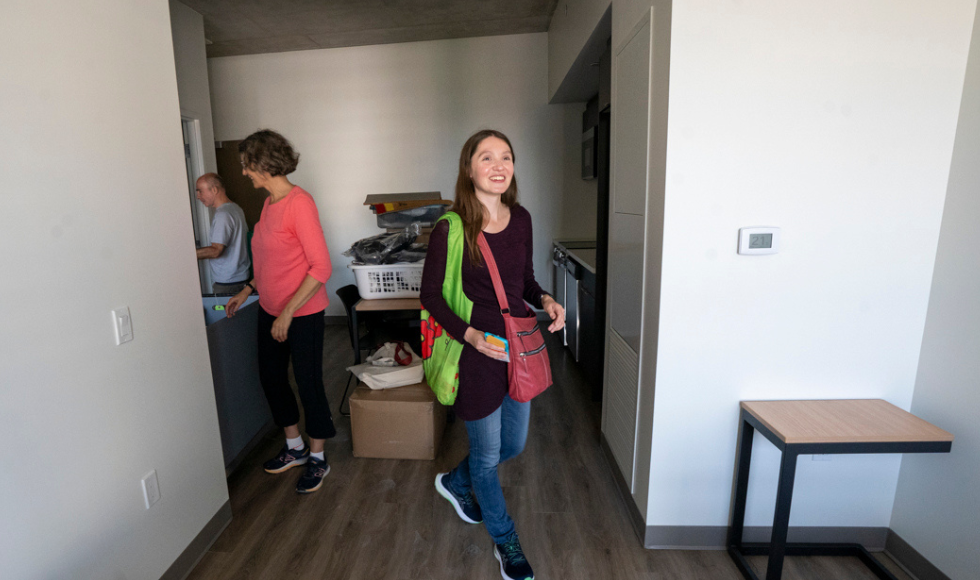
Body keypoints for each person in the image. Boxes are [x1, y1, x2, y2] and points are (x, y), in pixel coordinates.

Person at [420, 129, 565, 580]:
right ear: (469, 169)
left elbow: (523, 279)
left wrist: (544, 300)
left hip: (516, 349)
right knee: (486, 456)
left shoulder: (520, 219)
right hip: (476, 354)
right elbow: (430, 295)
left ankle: (455, 481)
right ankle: (506, 542)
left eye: (506, 157)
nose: (499, 165)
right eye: (487, 158)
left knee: (514, 443)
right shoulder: (450, 227)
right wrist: (469, 336)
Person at [225, 130, 335, 494]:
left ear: (263, 164)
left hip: (301, 313)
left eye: (246, 165)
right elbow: (272, 260)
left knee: (308, 383)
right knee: (271, 378)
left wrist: (288, 312)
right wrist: (248, 289)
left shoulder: (299, 203)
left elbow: (321, 268)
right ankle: (295, 448)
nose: (243, 173)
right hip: (270, 309)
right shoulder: (270, 202)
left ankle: (318, 458)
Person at [195, 173, 251, 295]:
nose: (198, 196)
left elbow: (216, 250)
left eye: (200, 191)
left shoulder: (223, 215)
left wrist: (187, 255)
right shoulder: (235, 208)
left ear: (214, 190)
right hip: (238, 279)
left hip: (228, 284)